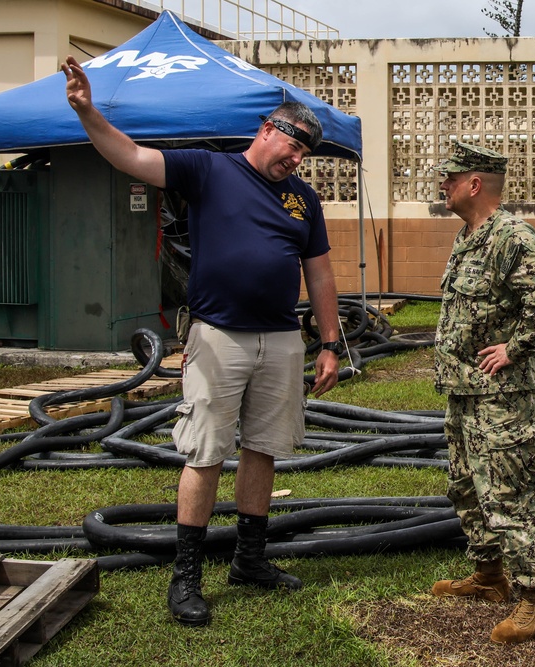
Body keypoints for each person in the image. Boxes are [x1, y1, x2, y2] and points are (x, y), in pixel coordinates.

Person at [62, 56, 343, 627]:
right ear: (268, 129)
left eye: (304, 155)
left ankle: (250, 560)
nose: (296, 160)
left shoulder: (302, 199)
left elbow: (320, 273)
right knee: (206, 450)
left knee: (264, 447)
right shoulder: (208, 170)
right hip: (219, 337)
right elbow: (131, 156)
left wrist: (331, 342)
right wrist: (88, 111)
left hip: (283, 340)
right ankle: (186, 576)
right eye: (292, 147)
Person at [430, 140, 535, 644]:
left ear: (474, 184)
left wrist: (515, 348)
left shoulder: (511, 236)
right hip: (464, 391)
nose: (441, 185)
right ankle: (489, 576)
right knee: (467, 485)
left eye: (449, 178)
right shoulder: (468, 238)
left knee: (509, 492)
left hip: (500, 395)